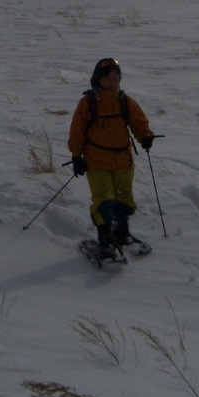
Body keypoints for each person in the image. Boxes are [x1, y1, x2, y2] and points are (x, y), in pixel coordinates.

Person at [68, 58, 155, 257]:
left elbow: (139, 123)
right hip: (97, 162)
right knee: (103, 201)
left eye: (115, 77)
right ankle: (106, 239)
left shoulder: (126, 102)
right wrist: (76, 156)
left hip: (123, 161)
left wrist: (146, 137)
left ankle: (122, 233)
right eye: (106, 77)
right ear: (97, 80)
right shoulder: (87, 103)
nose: (111, 81)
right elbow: (77, 131)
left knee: (124, 200)